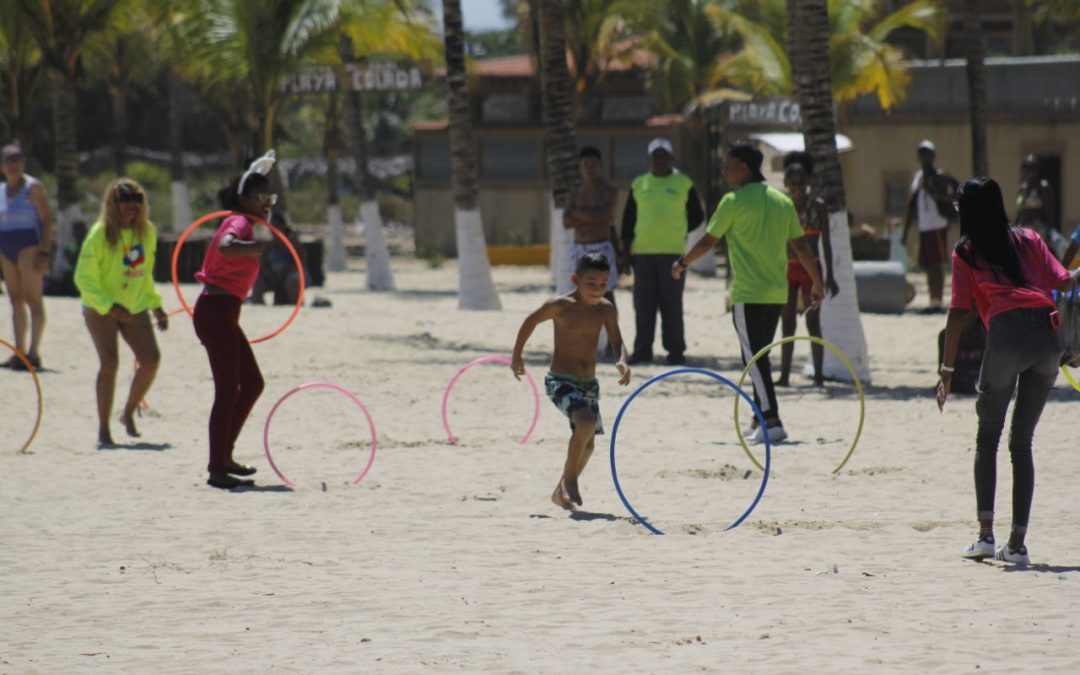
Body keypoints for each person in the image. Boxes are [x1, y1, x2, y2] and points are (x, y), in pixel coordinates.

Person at [938, 177, 1080, 566]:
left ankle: (986, 536)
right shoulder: (1030, 239)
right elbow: (1065, 280)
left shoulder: (966, 251)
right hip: (1046, 337)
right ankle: (1017, 545)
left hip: (1005, 336)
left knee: (988, 437)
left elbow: (957, 314)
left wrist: (947, 370)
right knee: (1022, 444)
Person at [674, 141, 823, 445]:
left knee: (755, 360)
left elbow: (707, 242)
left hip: (748, 294)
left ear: (745, 168)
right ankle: (759, 418)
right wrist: (817, 282)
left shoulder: (733, 201)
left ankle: (772, 420)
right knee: (761, 357)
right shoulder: (782, 203)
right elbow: (802, 247)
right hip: (776, 293)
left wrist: (682, 262)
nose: (724, 172)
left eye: (728, 166)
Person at [511, 252, 631, 510]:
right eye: (591, 284)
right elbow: (530, 321)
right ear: (576, 279)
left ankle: (559, 492)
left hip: (589, 383)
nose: (597, 290)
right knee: (585, 422)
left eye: (602, 285)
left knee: (588, 446)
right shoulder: (561, 306)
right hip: (560, 381)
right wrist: (517, 355)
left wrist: (622, 360)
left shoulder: (606, 310)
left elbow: (618, 342)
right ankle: (571, 478)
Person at [193, 154, 277, 489]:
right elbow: (228, 248)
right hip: (215, 311)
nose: (267, 203)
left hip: (224, 312)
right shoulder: (238, 224)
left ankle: (225, 456)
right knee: (228, 389)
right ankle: (217, 467)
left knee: (252, 384)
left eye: (270, 197)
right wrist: (252, 247)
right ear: (245, 200)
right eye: (262, 198)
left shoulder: (244, 222)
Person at [74, 179, 169, 446]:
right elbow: (84, 280)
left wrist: (156, 305)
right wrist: (110, 306)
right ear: (113, 203)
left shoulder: (146, 232)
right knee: (110, 362)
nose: (132, 205)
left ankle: (128, 413)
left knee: (151, 359)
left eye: (138, 198)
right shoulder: (100, 234)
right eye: (126, 198)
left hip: (134, 304)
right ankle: (104, 430)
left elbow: (145, 274)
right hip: (99, 306)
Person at [620, 138, 704, 365]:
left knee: (672, 304)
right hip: (643, 253)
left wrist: (680, 229)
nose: (660, 159)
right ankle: (643, 350)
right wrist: (625, 252)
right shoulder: (639, 184)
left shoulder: (683, 183)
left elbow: (697, 215)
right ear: (650, 158)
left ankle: (675, 351)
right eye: (655, 155)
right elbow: (628, 221)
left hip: (673, 254)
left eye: (664, 155)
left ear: (671, 158)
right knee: (643, 304)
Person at [777, 152, 839, 386]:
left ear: (807, 184)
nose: (797, 188)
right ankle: (784, 375)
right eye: (792, 184)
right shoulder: (781, 205)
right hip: (787, 269)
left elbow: (826, 243)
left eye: (801, 183)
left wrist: (829, 276)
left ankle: (819, 375)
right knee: (787, 323)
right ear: (786, 184)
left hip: (811, 270)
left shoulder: (817, 206)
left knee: (813, 323)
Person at [0, 144, 52, 369]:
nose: (14, 165)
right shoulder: (1, 191)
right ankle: (19, 350)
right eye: (10, 161)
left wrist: (45, 252)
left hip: (28, 246)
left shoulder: (33, 188)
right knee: (15, 299)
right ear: (2, 166)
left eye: (18, 160)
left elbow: (46, 220)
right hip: (5, 246)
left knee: (33, 299)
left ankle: (34, 352)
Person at [902, 140, 958, 314]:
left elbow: (949, 196)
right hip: (924, 227)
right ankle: (932, 299)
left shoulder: (940, 176)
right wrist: (906, 230)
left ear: (933, 156)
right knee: (927, 264)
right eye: (921, 153)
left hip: (937, 225)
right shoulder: (918, 178)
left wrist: (932, 189)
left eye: (927, 153)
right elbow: (912, 206)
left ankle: (938, 301)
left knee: (937, 264)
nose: (924, 157)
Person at [563, 146, 619, 306]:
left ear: (600, 165)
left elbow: (605, 217)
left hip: (601, 246)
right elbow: (566, 222)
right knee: (576, 292)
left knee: (605, 292)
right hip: (578, 248)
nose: (589, 168)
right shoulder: (575, 191)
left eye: (593, 164)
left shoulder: (609, 190)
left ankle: (611, 329)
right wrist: (592, 215)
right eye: (585, 164)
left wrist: (579, 214)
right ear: (580, 166)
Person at [251, 213, 306, 306]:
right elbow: (263, 264)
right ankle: (260, 308)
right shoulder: (269, 246)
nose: (273, 230)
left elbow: (301, 263)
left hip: (290, 274)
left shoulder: (293, 243)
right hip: (273, 276)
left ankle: (296, 305)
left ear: (283, 227)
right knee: (258, 283)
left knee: (292, 281)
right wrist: (271, 274)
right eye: (271, 227)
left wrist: (287, 272)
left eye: (276, 226)